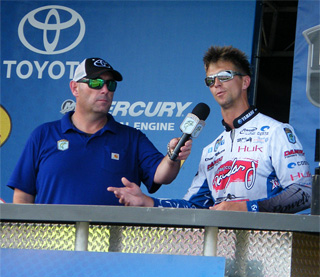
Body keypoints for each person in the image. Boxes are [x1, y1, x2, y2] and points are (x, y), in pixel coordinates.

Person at [108, 46, 312, 213]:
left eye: (224, 76)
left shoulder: (276, 132)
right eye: (210, 80)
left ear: (245, 81)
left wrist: (248, 208)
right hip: (221, 250)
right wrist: (149, 202)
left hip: (267, 245)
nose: (216, 84)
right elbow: (194, 207)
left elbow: (305, 191)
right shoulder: (211, 150)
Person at [7, 57, 191, 205]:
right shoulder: (44, 135)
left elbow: (162, 175)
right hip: (52, 246)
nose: (105, 90)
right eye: (96, 83)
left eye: (110, 85)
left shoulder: (131, 138)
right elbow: (23, 195)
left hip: (112, 248)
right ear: (74, 88)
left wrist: (173, 155)